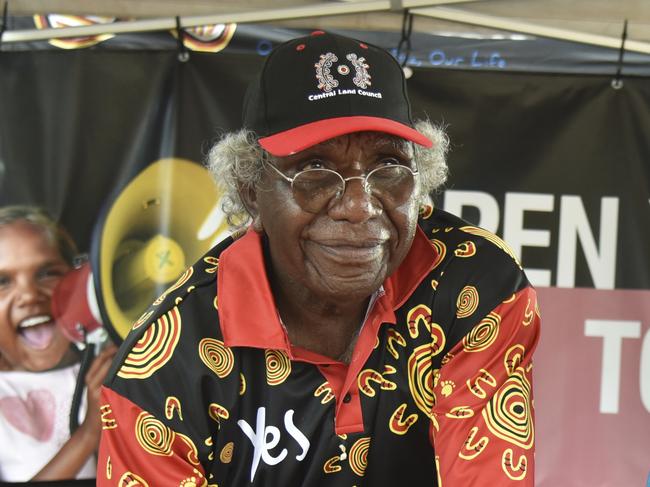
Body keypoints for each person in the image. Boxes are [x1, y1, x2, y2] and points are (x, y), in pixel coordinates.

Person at [98, 31, 540, 486]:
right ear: (252, 192)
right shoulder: (165, 360)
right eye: (313, 170)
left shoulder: (474, 283)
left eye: (388, 166)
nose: (359, 206)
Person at [0, 205, 116, 482]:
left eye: (46, 273)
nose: (29, 295)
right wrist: (89, 433)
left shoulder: (103, 372)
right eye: (3, 281)